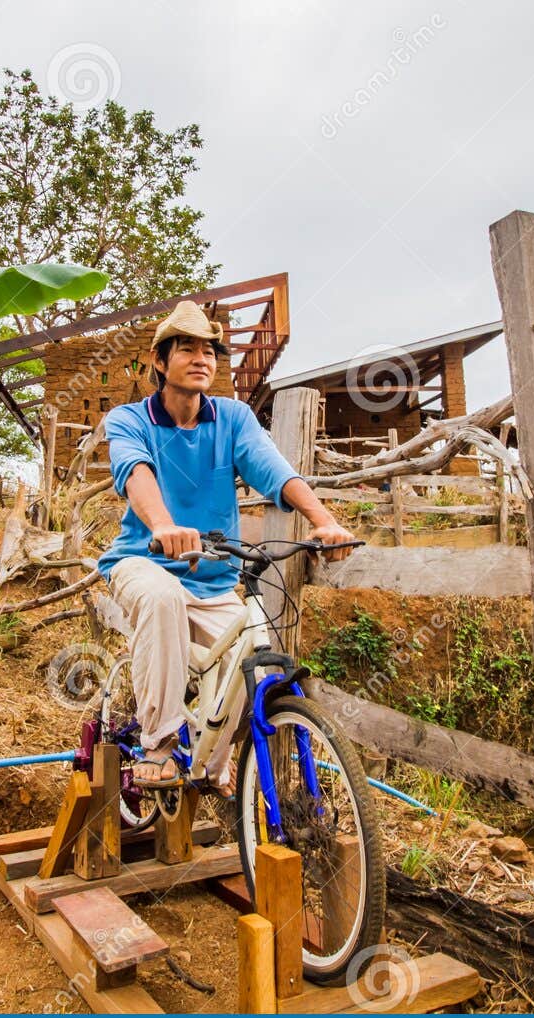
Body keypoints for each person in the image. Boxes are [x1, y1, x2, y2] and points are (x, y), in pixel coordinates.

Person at [97, 300, 356, 788]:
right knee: (162, 598)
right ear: (159, 360)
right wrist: (162, 525)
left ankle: (212, 761)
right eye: (188, 348)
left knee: (255, 666)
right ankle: (159, 745)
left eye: (210, 351)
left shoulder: (233, 418)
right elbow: (135, 470)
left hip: (215, 578)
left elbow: (272, 468)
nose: (202, 359)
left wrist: (325, 521)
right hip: (141, 561)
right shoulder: (129, 420)